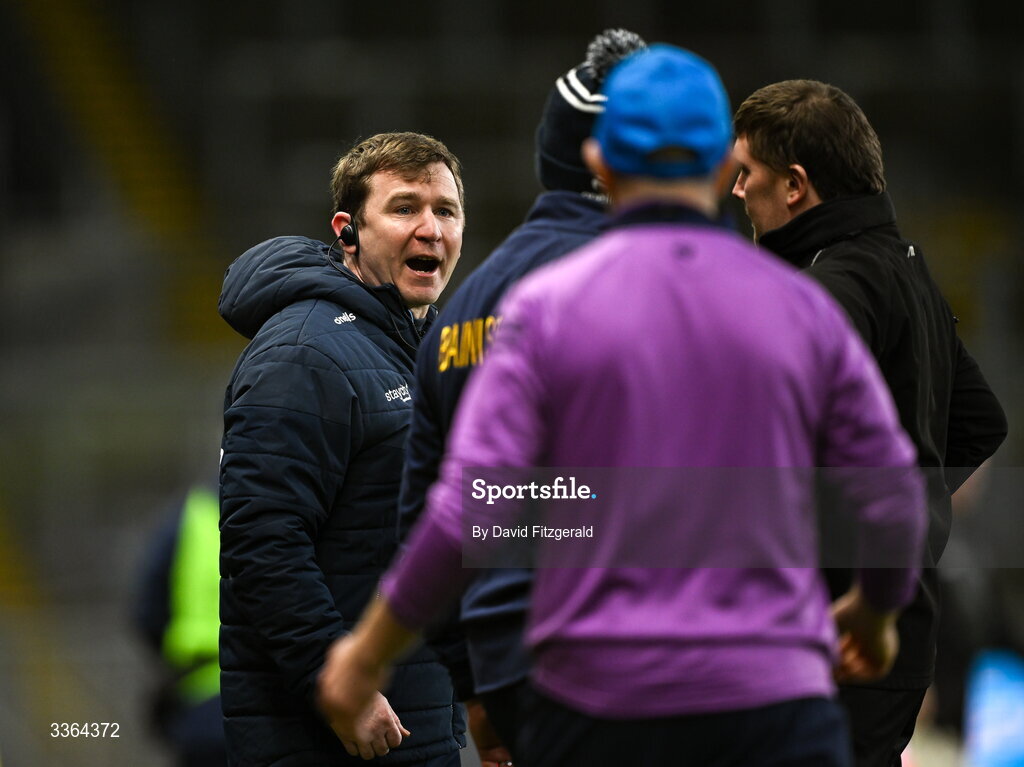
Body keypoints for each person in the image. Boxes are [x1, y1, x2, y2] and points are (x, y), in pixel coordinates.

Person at [316, 45, 929, 767]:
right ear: (725, 172)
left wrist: (367, 652)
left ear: (601, 167)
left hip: (601, 709)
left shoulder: (543, 312)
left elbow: (472, 508)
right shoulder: (800, 308)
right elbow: (891, 495)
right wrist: (876, 614)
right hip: (777, 707)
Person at [731, 80, 1008, 767]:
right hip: (898, 630)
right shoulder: (903, 268)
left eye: (747, 174)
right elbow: (979, 422)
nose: (736, 192)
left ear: (794, 186)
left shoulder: (827, 290)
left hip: (829, 630)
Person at [398, 28, 646, 764]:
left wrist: (477, 688)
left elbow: (428, 520)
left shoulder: (460, 312)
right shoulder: (649, 282)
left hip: (514, 676)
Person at [218, 132, 467, 767]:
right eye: (405, 208)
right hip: (332, 733)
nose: (431, 229)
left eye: (446, 209)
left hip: (415, 714)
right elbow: (262, 537)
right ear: (347, 230)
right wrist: (339, 683)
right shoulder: (303, 352)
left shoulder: (419, 347)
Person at [135, 483, 225, 767]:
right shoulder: (296, 510)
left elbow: (147, 612)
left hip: (201, 704)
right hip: (282, 700)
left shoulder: (191, 515)